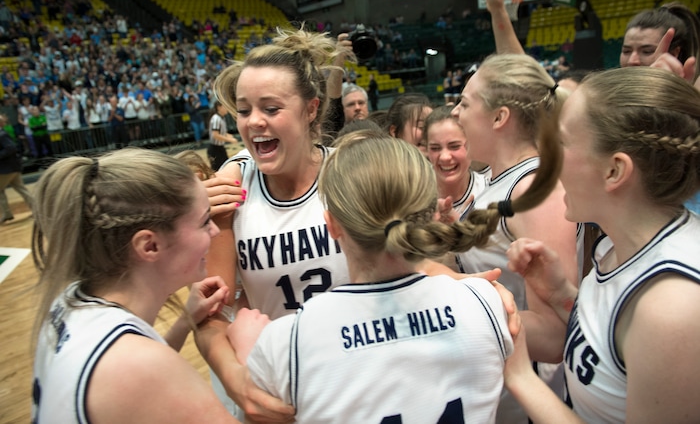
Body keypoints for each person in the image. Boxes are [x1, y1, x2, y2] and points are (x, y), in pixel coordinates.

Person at [226, 135, 516, 423]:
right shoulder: (486, 301)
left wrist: (250, 356)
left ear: (332, 225)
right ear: (430, 216)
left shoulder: (287, 342)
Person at [505, 67, 700, 423]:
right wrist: (562, 295)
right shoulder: (617, 248)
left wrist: (520, 378)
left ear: (614, 171)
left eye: (562, 144)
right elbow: (613, 352)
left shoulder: (672, 307)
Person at [194, 27, 351, 422]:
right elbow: (212, 313)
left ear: (311, 109)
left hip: (356, 373)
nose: (254, 122)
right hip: (277, 384)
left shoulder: (349, 171)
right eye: (244, 110)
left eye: (271, 108)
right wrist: (236, 382)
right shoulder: (233, 183)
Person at [30, 148, 242, 423]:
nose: (215, 231)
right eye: (204, 222)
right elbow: (138, 373)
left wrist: (184, 322)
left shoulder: (69, 298)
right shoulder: (137, 366)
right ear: (149, 245)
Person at [451, 53, 580, 424]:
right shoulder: (502, 180)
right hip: (500, 386)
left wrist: (447, 316)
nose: (456, 113)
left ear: (499, 117)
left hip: (532, 399)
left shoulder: (534, 189)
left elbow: (557, 335)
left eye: (464, 102)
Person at [0, 113, 32, 224]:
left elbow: (11, 148)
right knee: (21, 189)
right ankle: (36, 209)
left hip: (6, 169)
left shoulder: (1, 135)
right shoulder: (3, 133)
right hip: (13, 167)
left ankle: (7, 214)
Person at [207, 100, 238, 171]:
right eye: (225, 106)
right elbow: (215, 135)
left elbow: (221, 132)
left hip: (220, 148)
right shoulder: (216, 118)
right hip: (215, 149)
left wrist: (228, 135)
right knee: (217, 170)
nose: (227, 108)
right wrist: (229, 140)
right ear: (219, 107)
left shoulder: (221, 118)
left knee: (226, 167)